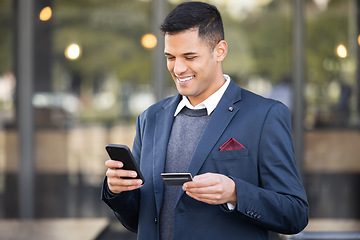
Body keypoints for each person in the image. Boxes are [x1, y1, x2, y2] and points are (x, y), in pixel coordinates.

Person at [102, 2, 308, 240]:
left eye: (189, 57)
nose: (178, 68)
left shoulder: (265, 115)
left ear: (220, 51)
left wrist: (235, 193)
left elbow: (295, 213)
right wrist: (118, 190)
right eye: (170, 57)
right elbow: (138, 220)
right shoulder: (150, 118)